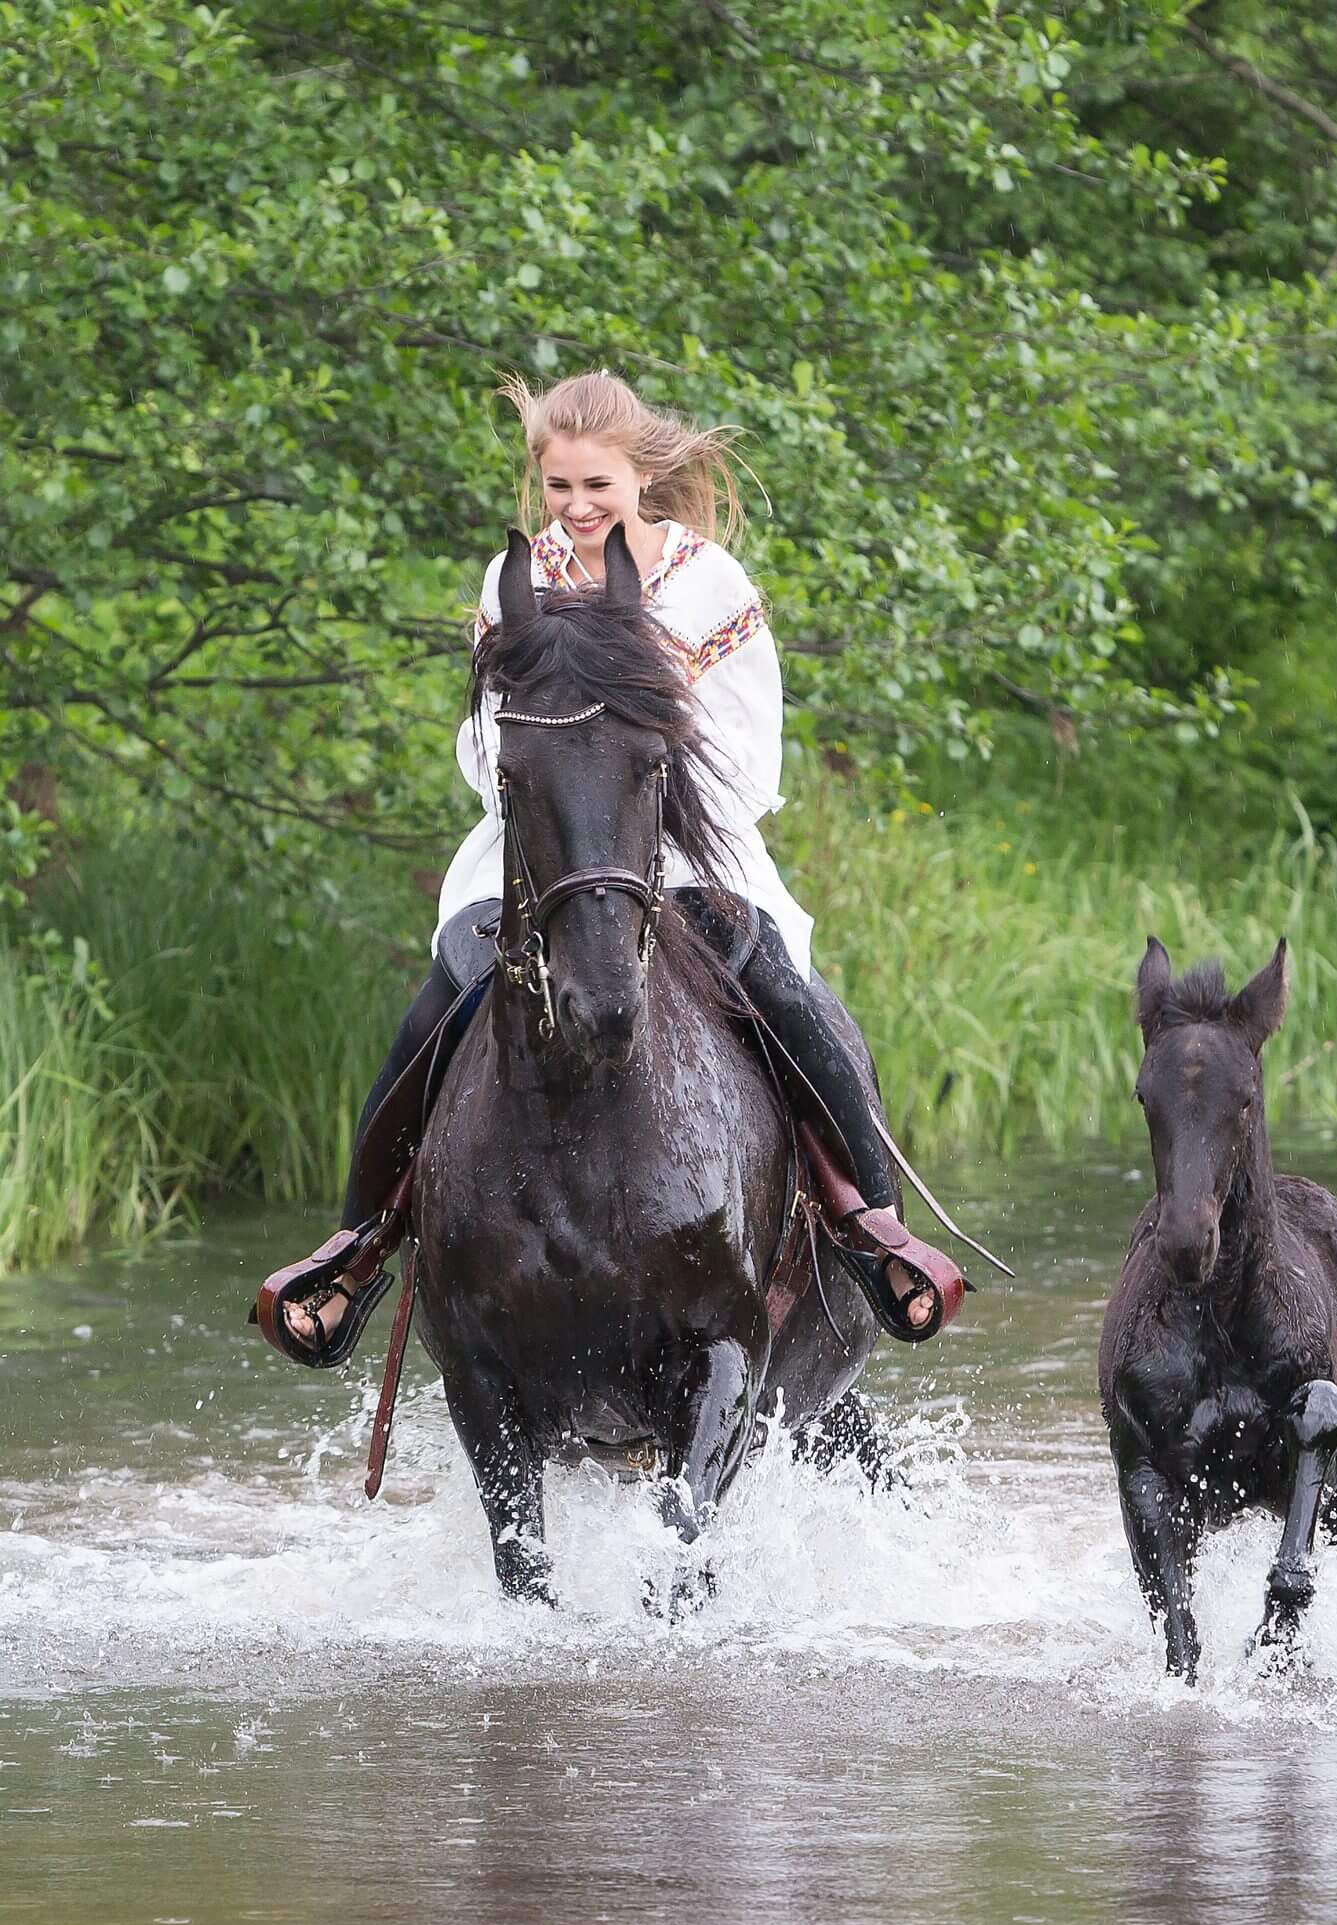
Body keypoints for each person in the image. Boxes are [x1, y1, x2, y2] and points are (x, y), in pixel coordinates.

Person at [261, 370, 952, 1364]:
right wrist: (556, 801)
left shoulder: (710, 584)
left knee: (782, 992)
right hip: (537, 852)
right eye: (559, 489)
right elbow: (482, 745)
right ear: (538, 486)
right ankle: (361, 1244)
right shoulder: (516, 587)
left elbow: (750, 755)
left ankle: (871, 1227)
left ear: (640, 481)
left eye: (598, 487)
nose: (578, 508)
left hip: (684, 846)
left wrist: (640, 800)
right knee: (441, 1000)